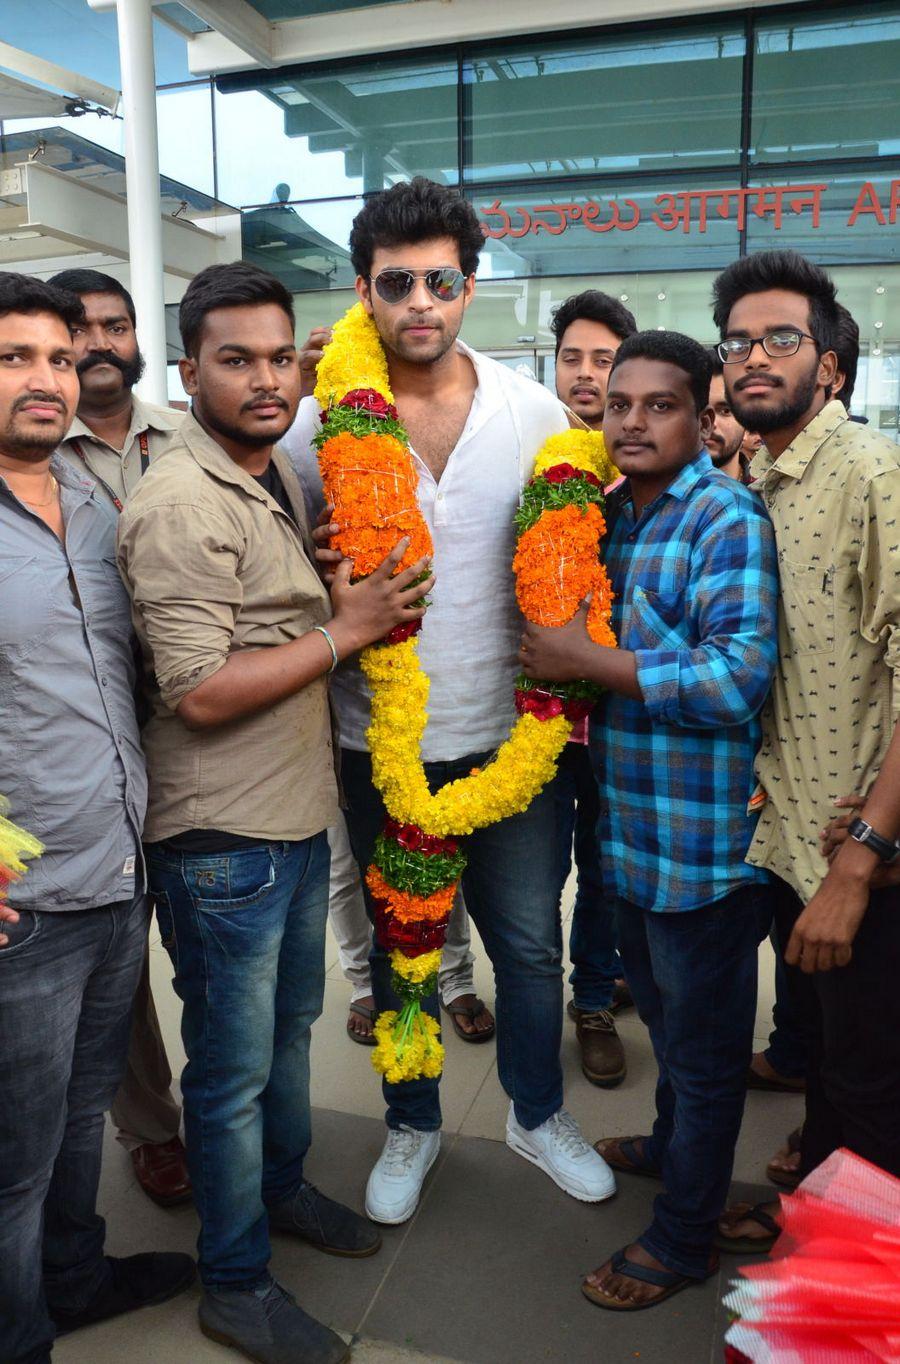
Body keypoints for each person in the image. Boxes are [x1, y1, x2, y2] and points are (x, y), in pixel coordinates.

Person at [116, 261, 432, 1364]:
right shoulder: (181, 500)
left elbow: (269, 613)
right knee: (235, 1067)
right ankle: (235, 1279)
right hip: (223, 842)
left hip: (292, 820)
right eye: (234, 359)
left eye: (279, 356)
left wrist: (330, 583)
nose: (265, 379)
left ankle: (283, 1191)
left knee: (289, 1037)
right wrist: (348, 628)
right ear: (188, 367)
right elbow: (199, 689)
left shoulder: (270, 474)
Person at [290, 177, 616, 1226]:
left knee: (526, 945)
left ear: (470, 287)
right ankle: (413, 1119)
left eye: (442, 280)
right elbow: (282, 562)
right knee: (400, 941)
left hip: (511, 739)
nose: (421, 301)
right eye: (398, 283)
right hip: (373, 741)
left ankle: (534, 1110)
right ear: (364, 290)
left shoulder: (532, 411)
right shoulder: (315, 426)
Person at [520, 329, 778, 1309]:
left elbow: (733, 677)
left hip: (709, 850)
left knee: (707, 1054)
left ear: (703, 410)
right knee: (668, 1025)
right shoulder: (614, 518)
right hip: (631, 837)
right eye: (619, 402)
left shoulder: (726, 518)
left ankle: (684, 1237)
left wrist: (585, 662)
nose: (630, 419)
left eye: (658, 403)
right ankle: (674, 1145)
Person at [0, 271, 195, 1364]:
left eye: (60, 358)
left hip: (117, 871)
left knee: (83, 1122)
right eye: (17, 358)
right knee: (16, 1153)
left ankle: (74, 1279)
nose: (48, 379)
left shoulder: (94, 505)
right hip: (19, 904)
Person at [713, 251, 900, 1254]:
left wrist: (865, 858)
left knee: (875, 1089)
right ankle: (809, 1226)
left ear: (827, 365)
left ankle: (850, 1310)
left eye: (781, 338)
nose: (753, 356)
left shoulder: (871, 471)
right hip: (789, 830)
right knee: (827, 1061)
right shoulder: (761, 483)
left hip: (861, 848)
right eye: (738, 340)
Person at [48, 267, 189, 1209]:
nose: (102, 343)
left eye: (116, 325)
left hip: (200, 730)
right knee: (119, 960)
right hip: (89, 742)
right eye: (80, 332)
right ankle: (151, 1127)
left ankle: (233, 1113)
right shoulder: (26, 453)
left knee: (211, 939)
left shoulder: (189, 435)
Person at [549, 289, 638, 1087]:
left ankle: (594, 1002)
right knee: (536, 875)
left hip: (618, 716)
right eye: (572, 357)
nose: (586, 375)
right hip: (535, 716)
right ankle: (540, 1001)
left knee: (605, 869)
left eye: (603, 360)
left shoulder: (650, 467)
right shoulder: (530, 458)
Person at [705, 353, 749, 481]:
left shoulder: (769, 494)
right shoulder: (649, 494)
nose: (710, 423)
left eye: (725, 410)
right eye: (698, 410)